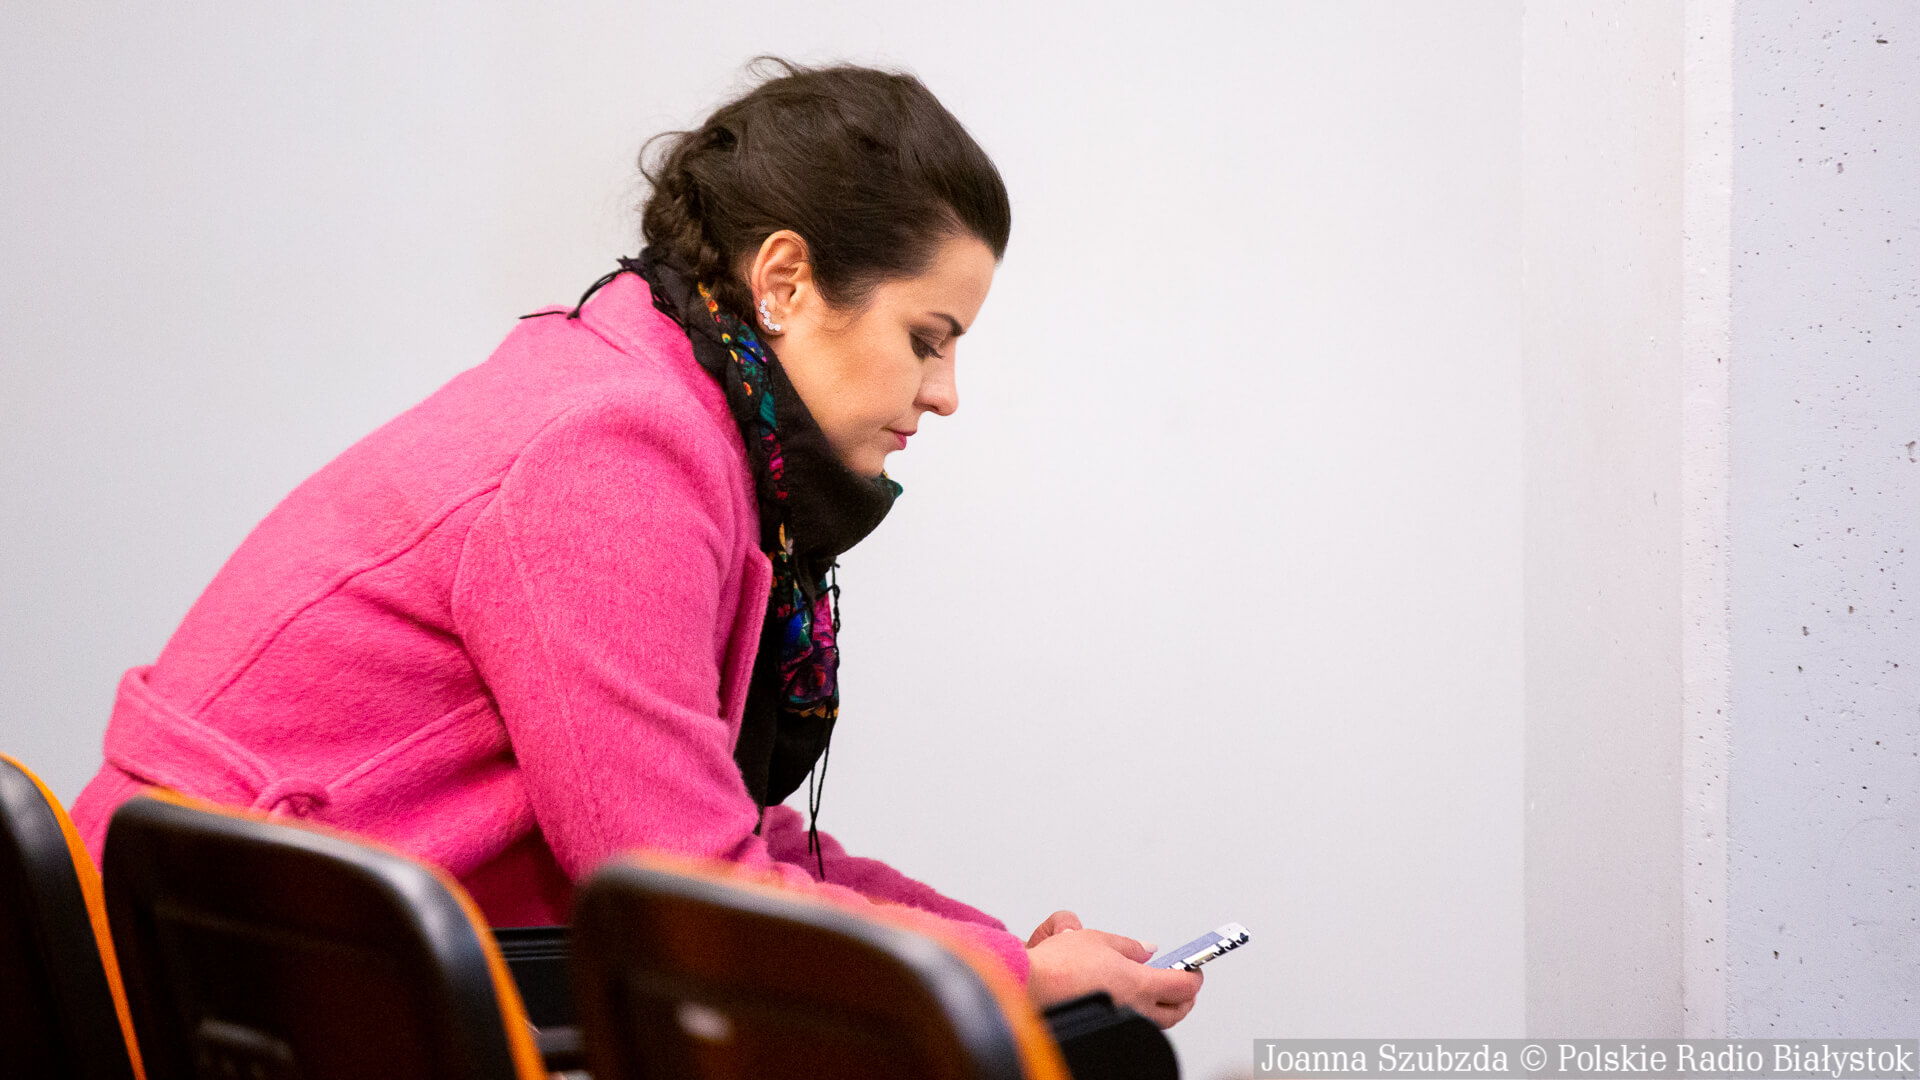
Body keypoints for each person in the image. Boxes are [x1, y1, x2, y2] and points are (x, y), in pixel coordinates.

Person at [67, 56, 1202, 1028]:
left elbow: (706, 826)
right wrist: (1009, 978)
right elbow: (682, 895)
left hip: (262, 952)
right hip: (202, 981)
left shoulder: (667, 410)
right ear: (785, 281)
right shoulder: (614, 456)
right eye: (927, 338)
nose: (947, 392)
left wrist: (997, 949)